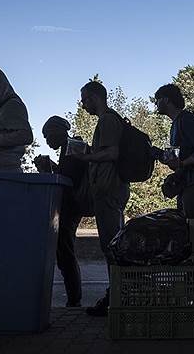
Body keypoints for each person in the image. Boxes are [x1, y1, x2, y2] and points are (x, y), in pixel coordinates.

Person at [70, 81, 129, 317]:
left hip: (109, 191)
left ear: (95, 97)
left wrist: (86, 157)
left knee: (111, 246)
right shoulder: (109, 120)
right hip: (109, 190)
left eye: (84, 100)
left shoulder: (107, 120)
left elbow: (112, 153)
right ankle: (117, 293)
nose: (83, 105)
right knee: (112, 244)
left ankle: (117, 296)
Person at [34, 116, 90, 308]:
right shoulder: (68, 148)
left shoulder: (73, 146)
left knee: (65, 252)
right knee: (64, 252)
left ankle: (74, 299)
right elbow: (68, 174)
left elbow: (69, 180)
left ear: (58, 131)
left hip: (71, 207)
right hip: (69, 206)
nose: (47, 141)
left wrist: (48, 171)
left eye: (48, 136)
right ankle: (73, 298)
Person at [154, 83, 194, 219]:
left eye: (157, 100)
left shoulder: (187, 119)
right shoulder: (175, 124)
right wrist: (157, 154)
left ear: (166, 99)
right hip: (185, 184)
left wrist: (182, 164)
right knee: (185, 227)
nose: (156, 104)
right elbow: (176, 159)